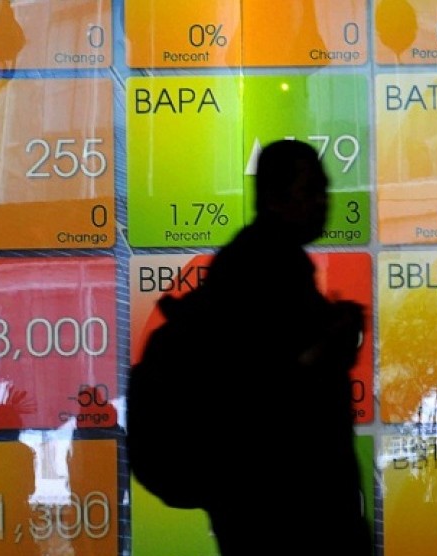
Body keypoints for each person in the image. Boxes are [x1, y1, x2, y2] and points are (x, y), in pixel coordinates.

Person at [152, 139, 372, 554]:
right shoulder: (264, 268)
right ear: (274, 196)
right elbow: (266, 391)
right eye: (312, 190)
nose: (326, 202)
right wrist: (330, 343)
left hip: (268, 512)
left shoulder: (256, 262)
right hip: (287, 516)